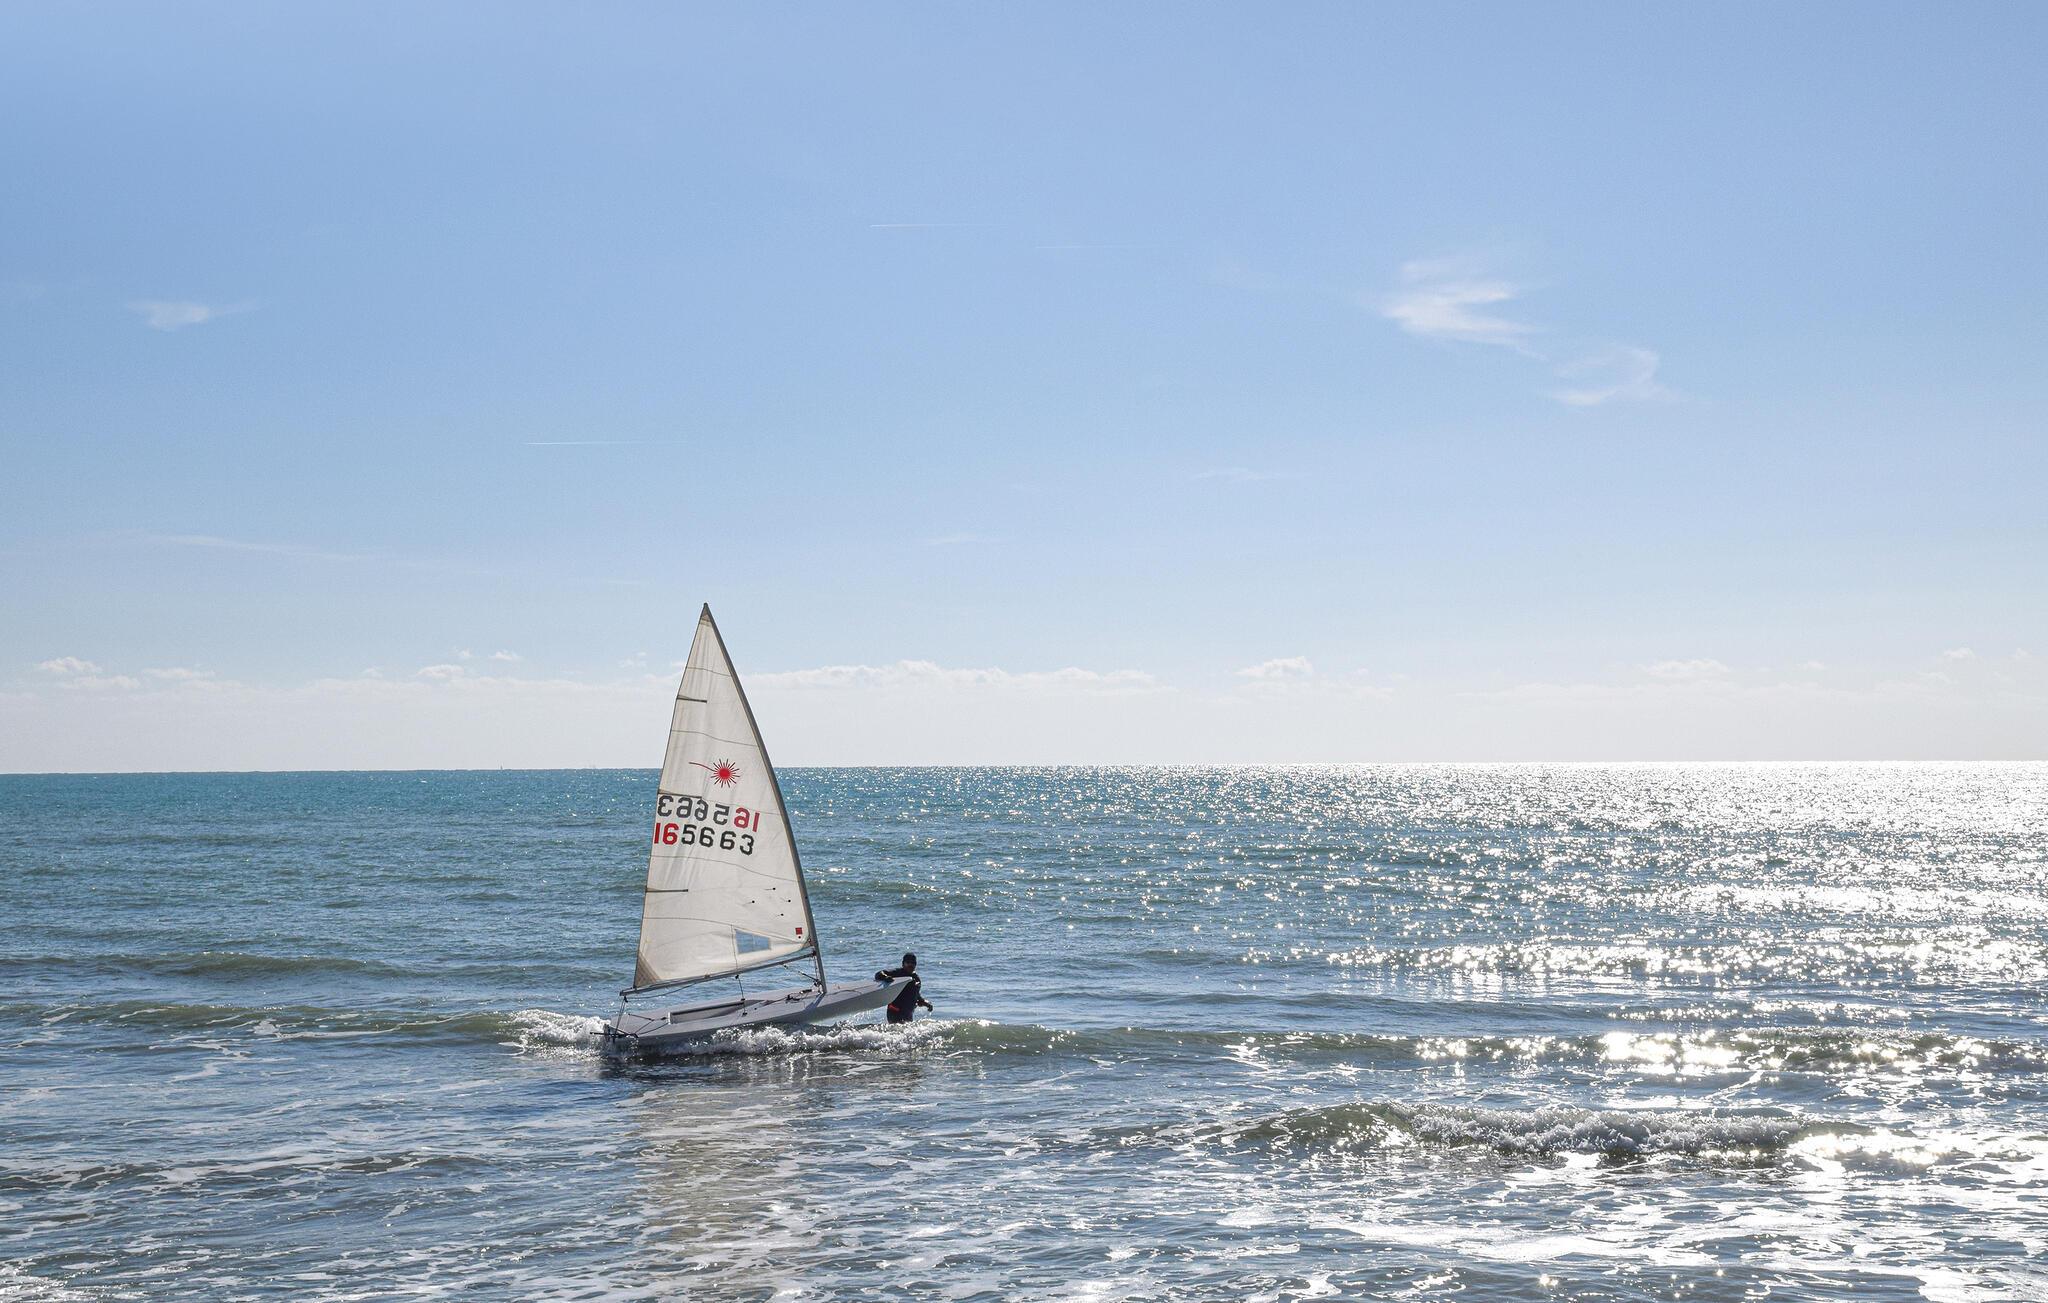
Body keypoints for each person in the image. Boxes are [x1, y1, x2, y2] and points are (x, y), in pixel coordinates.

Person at [874, 952, 933, 1025]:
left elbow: (916, 995)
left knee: (908, 1030)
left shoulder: (916, 979)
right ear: (903, 964)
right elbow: (879, 974)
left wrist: (926, 1003)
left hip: (908, 1014)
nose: (910, 965)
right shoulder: (897, 973)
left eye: (913, 963)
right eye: (908, 962)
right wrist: (885, 977)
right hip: (895, 1012)